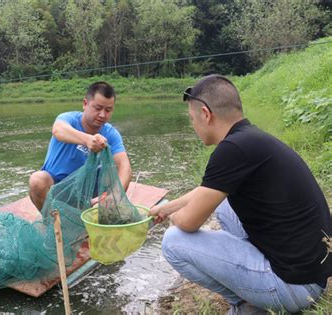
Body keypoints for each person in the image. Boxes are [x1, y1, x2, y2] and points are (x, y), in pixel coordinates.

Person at [149, 74, 331, 314]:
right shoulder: (249, 139)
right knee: (224, 206)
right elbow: (207, 190)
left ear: (205, 114)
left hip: (294, 288)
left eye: (192, 119)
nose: (192, 126)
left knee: (174, 241)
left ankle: (246, 305)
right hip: (312, 276)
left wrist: (175, 217)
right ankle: (255, 291)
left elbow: (188, 222)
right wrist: (168, 206)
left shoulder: (231, 149)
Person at [29, 81, 131, 210]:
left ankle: (102, 205)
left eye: (108, 110)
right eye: (98, 108)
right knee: (37, 180)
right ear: (85, 104)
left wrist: (116, 194)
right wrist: (88, 140)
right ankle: (52, 221)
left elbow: (124, 166)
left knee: (114, 171)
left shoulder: (110, 133)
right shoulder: (68, 118)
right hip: (58, 188)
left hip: (88, 191)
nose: (102, 115)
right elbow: (58, 130)